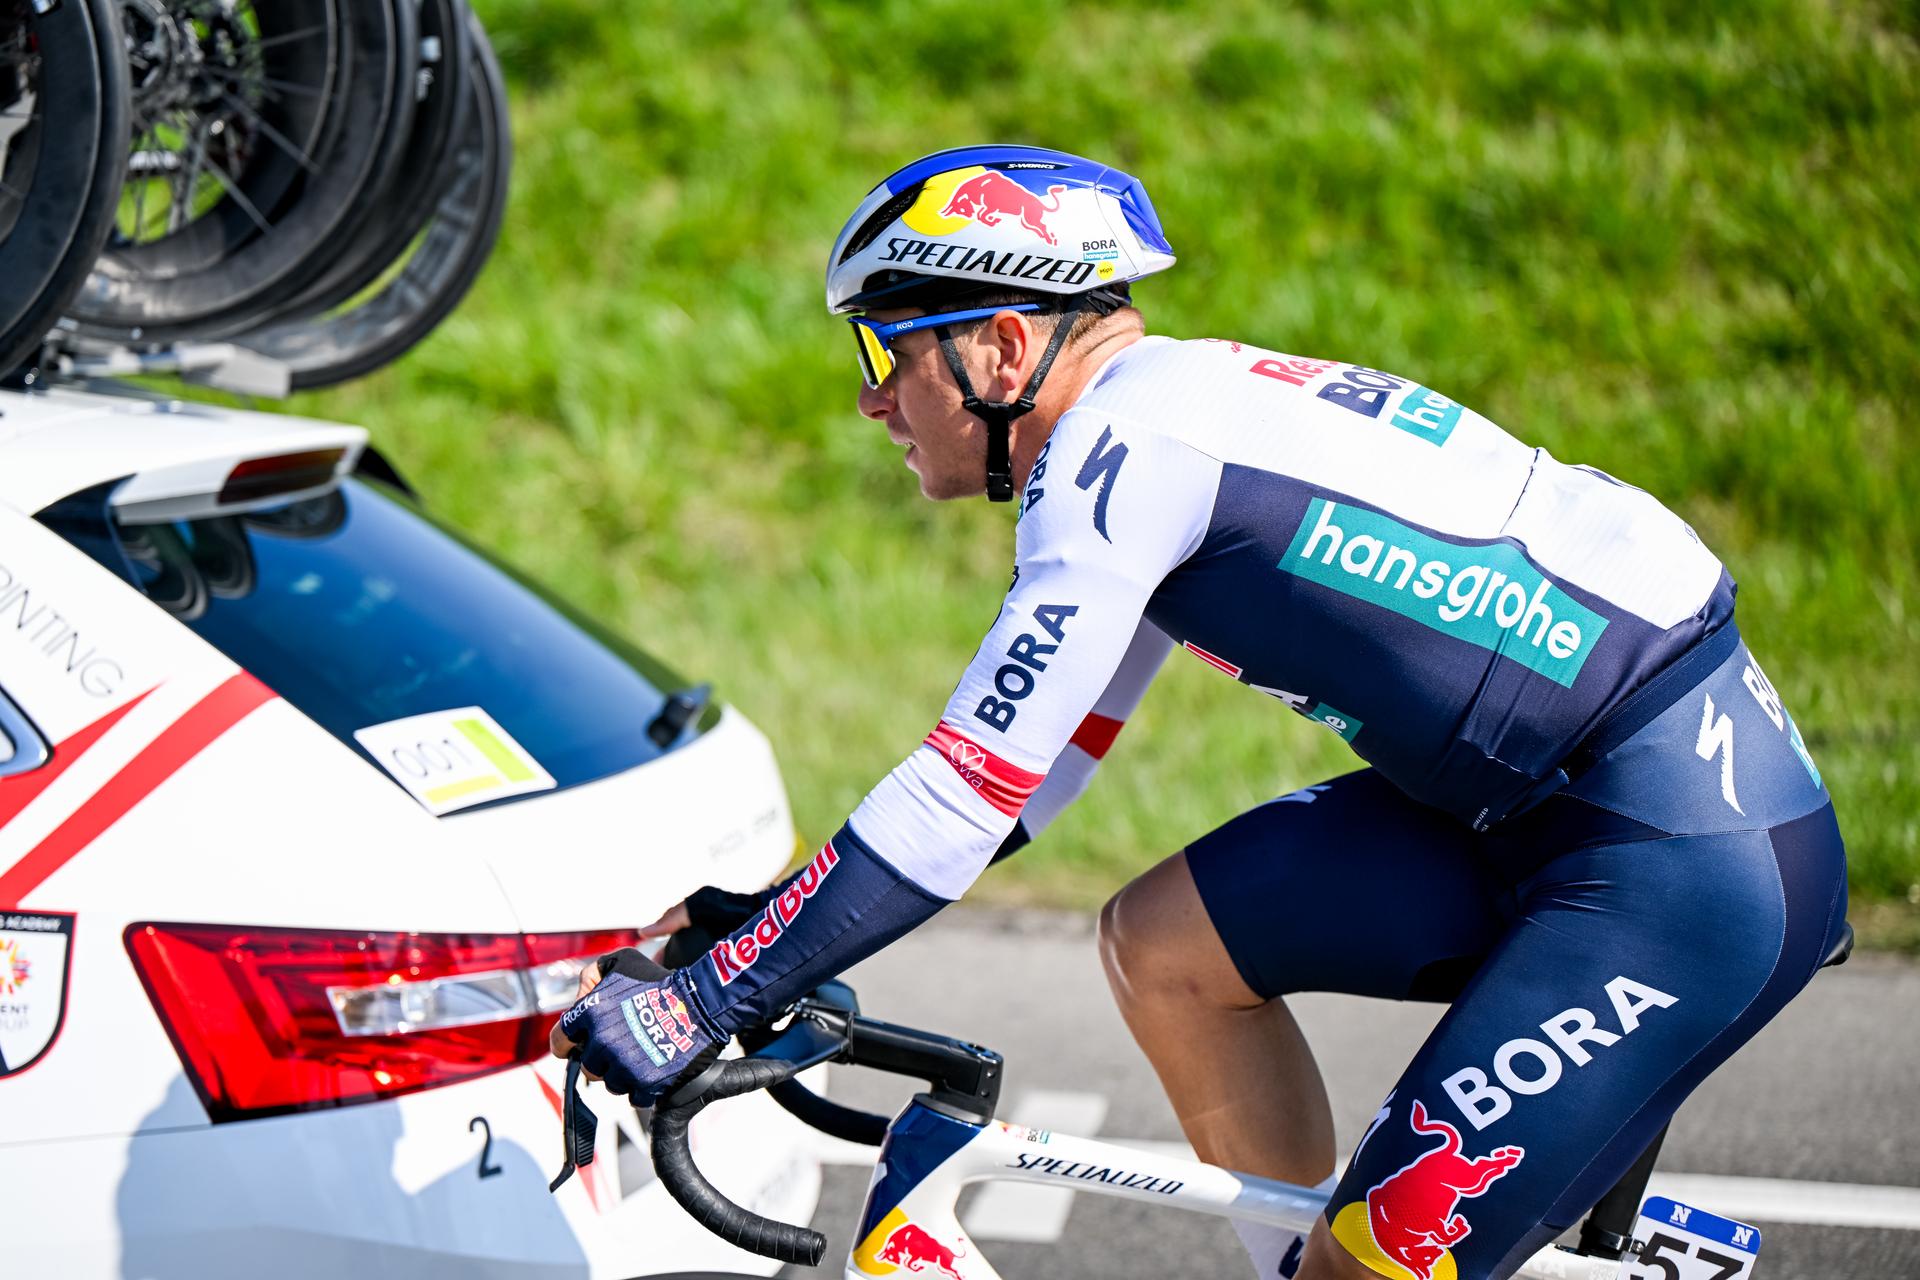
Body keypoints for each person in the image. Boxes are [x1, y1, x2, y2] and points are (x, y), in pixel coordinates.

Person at [549, 145, 1848, 1280]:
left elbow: (962, 797)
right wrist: (771, 931)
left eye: (887, 348)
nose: (871, 398)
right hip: (1544, 806)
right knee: (1164, 947)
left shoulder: (1125, 460)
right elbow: (1028, 781)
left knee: (1368, 1273)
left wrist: (700, 1005)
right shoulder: (1161, 423)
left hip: (1676, 858)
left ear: (1004, 348)